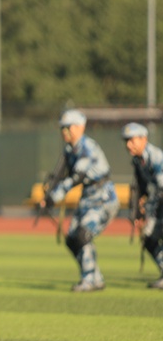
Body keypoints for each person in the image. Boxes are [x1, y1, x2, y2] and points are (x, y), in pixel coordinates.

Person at [40, 109, 119, 292]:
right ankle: (95, 277)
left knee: (83, 235)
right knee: (72, 239)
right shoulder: (69, 149)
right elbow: (60, 174)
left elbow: (76, 176)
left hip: (103, 198)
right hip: (87, 197)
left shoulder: (87, 148)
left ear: (78, 128)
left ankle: (90, 279)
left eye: (67, 127)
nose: (64, 132)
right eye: (62, 128)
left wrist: (55, 197)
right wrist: (48, 194)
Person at [122, 122, 163, 289]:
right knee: (148, 238)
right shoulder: (137, 161)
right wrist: (138, 214)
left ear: (143, 139)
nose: (128, 144)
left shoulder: (156, 157)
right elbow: (140, 187)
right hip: (157, 204)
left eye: (132, 140)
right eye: (126, 141)